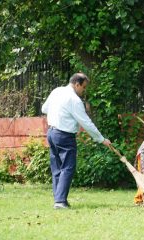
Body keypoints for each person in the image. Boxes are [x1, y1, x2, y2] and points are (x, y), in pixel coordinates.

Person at [41, 72, 111, 209]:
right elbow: (86, 123)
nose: (84, 91)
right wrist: (101, 139)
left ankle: (58, 200)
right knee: (68, 167)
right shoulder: (75, 100)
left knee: (57, 168)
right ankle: (60, 201)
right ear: (76, 84)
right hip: (64, 136)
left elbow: (44, 109)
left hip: (51, 133)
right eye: (83, 87)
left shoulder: (57, 91)